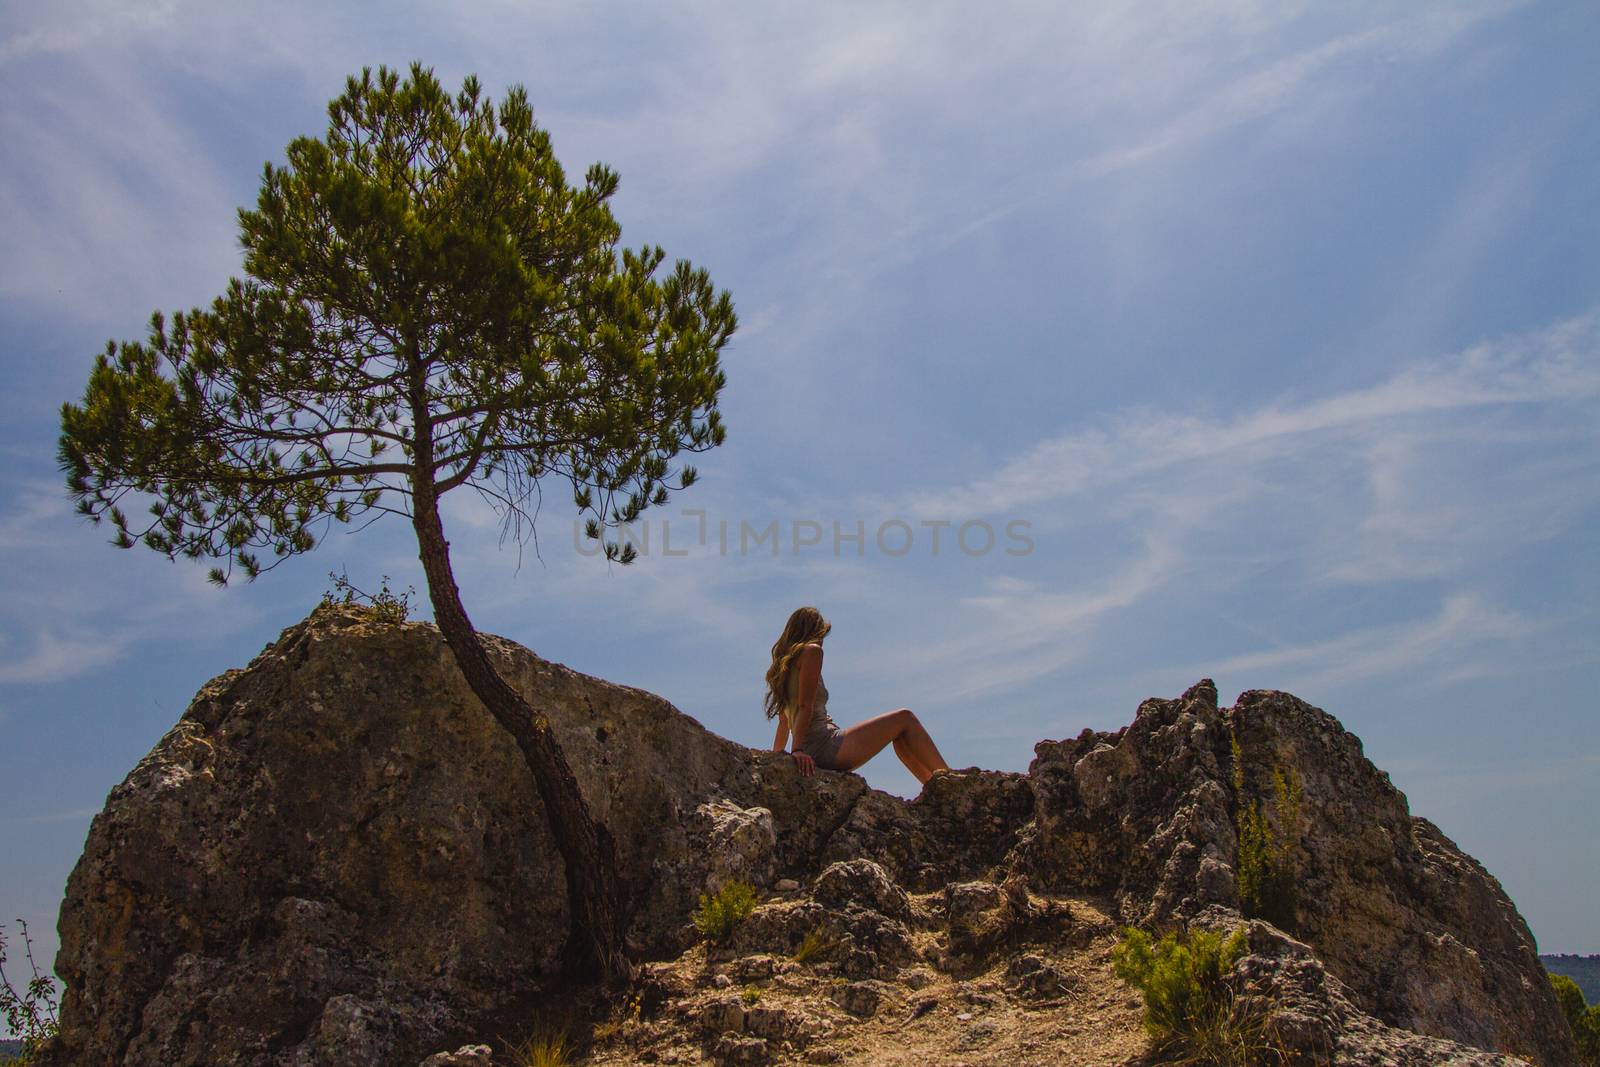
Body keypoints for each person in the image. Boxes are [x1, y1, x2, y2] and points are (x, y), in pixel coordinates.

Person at [764, 606, 951, 783]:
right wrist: (797, 750)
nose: (822, 641)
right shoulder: (812, 651)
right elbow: (806, 705)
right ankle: (949, 780)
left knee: (900, 735)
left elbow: (784, 722)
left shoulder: (783, 668)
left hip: (811, 748)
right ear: (815, 631)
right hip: (824, 746)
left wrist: (777, 758)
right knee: (905, 718)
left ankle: (933, 785)